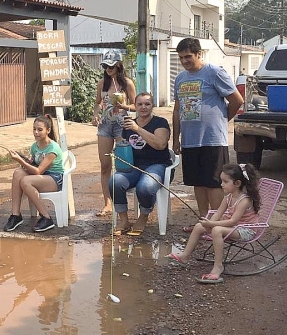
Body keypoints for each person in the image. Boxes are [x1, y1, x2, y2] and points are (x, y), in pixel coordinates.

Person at [172, 38, 244, 232]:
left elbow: (237, 100)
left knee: (214, 183)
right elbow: (177, 110)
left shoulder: (214, 73)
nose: (185, 61)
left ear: (198, 54)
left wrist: (222, 120)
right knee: (198, 182)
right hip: (190, 141)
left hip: (212, 139)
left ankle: (217, 225)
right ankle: (203, 222)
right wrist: (176, 138)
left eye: (188, 56)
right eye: (181, 58)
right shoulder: (180, 78)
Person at [165, 163, 260, 284]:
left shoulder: (245, 200)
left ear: (237, 184)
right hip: (233, 227)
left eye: (225, 182)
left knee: (216, 230)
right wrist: (209, 222)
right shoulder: (228, 197)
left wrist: (213, 225)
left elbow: (233, 221)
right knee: (200, 226)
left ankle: (218, 267)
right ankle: (185, 256)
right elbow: (217, 214)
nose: (221, 184)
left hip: (246, 230)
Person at [108, 92, 171, 236]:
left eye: (147, 104)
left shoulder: (160, 122)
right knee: (114, 181)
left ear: (152, 106)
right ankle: (124, 220)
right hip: (134, 166)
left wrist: (137, 129)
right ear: (135, 106)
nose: (143, 107)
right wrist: (118, 148)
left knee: (145, 186)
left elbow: (160, 144)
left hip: (158, 165)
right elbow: (124, 147)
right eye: (140, 104)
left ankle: (143, 216)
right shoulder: (129, 124)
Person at [92, 50, 137, 217]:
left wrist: (124, 106)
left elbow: (136, 105)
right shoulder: (101, 83)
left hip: (121, 125)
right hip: (104, 126)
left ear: (119, 65)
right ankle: (107, 203)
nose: (108, 69)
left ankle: (121, 204)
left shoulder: (127, 84)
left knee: (122, 166)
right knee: (105, 166)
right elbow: (97, 103)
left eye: (111, 65)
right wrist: (95, 115)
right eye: (105, 66)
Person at [3, 115, 65, 233]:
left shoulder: (53, 148)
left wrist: (19, 160)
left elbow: (37, 171)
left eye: (40, 130)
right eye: (34, 129)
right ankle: (15, 215)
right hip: (42, 177)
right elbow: (32, 164)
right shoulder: (34, 146)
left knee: (25, 181)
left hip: (54, 178)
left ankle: (46, 218)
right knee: (18, 173)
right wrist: (24, 160)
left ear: (48, 130)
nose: (36, 132)